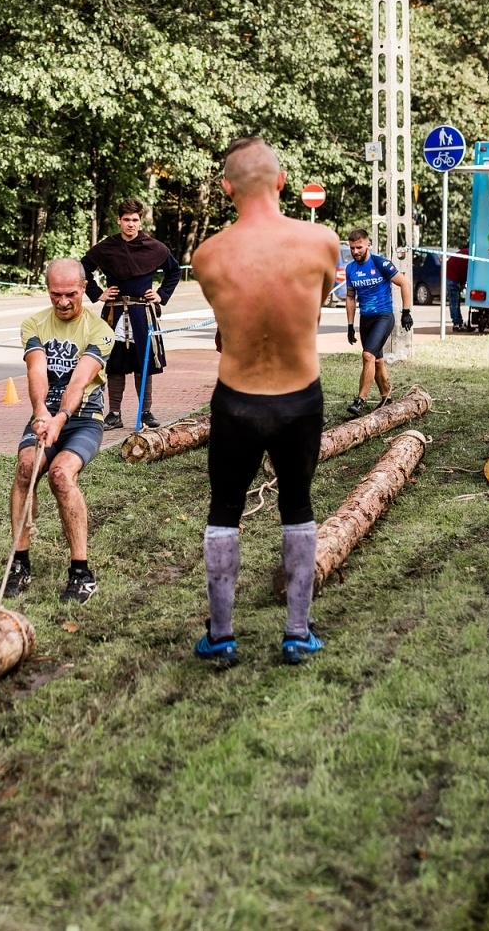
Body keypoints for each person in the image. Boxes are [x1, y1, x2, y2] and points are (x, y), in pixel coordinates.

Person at [189, 137, 343, 666]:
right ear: (281, 181)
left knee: (224, 510)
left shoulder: (207, 255)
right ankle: (297, 632)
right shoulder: (322, 241)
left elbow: (228, 324)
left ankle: (221, 635)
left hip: (236, 401)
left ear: (226, 188)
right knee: (297, 505)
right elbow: (314, 310)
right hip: (300, 399)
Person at [3, 258, 116, 604]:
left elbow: (79, 381)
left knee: (61, 475)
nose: (63, 302)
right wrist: (41, 412)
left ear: (84, 288)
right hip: (45, 414)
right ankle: (20, 564)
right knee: (26, 468)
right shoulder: (34, 324)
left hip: (84, 419)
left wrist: (60, 418)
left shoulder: (100, 331)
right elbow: (37, 370)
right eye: (55, 294)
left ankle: (81, 573)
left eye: (70, 294)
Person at [82, 198, 183, 431]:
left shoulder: (153, 247)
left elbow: (174, 271)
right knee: (115, 364)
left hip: (142, 312)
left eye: (135, 220)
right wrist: (97, 293)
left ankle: (145, 412)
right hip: (114, 312)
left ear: (140, 221)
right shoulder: (107, 247)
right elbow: (83, 268)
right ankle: (114, 414)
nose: (131, 224)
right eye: (126, 219)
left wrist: (161, 294)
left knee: (142, 363)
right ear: (119, 220)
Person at [343, 229, 412, 418]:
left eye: (359, 247)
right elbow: (350, 297)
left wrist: (406, 312)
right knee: (377, 360)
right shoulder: (350, 269)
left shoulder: (380, 263)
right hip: (366, 319)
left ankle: (359, 401)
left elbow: (404, 284)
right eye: (352, 248)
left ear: (368, 245)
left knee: (368, 356)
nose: (355, 251)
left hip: (384, 316)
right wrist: (350, 325)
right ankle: (386, 397)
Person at [446, 244, 469, 331]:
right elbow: (465, 273)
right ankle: (457, 323)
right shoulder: (471, 257)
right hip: (452, 274)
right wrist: (462, 284)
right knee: (454, 301)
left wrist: (462, 284)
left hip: (451, 271)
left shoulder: (469, 252)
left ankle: (458, 322)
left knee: (455, 300)